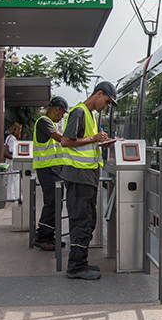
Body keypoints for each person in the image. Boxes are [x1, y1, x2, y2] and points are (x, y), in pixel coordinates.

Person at [60, 81, 117, 280]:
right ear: (99, 94)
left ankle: (81, 262)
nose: (107, 106)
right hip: (78, 176)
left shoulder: (91, 115)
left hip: (87, 177)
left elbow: (86, 142)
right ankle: (75, 266)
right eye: (107, 102)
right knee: (81, 222)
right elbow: (66, 141)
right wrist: (93, 139)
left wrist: (101, 141)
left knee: (88, 221)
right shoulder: (79, 112)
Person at [32, 96, 69, 251]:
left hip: (52, 169)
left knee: (55, 201)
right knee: (52, 202)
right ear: (56, 109)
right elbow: (61, 139)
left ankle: (49, 235)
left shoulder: (49, 123)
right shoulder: (44, 121)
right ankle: (42, 237)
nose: (62, 117)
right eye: (62, 114)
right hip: (47, 168)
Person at [5, 123, 22, 201]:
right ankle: (16, 195)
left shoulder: (8, 137)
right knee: (16, 178)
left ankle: (10, 195)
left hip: (8, 160)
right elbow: (11, 149)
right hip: (13, 160)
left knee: (10, 179)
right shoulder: (13, 139)